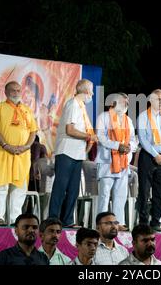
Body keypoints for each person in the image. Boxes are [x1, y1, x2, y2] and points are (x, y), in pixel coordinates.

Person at [0, 81, 38, 226]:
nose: (16, 93)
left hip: (22, 155)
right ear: (6, 92)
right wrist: (5, 145)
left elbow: (33, 131)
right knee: (2, 186)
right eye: (13, 90)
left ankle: (16, 219)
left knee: (19, 187)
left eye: (18, 90)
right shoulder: (0, 107)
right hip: (4, 152)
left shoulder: (27, 110)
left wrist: (26, 146)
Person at [49, 79, 98, 227]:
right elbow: (69, 130)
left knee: (73, 190)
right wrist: (89, 136)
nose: (93, 94)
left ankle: (68, 220)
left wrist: (89, 142)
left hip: (78, 153)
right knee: (60, 187)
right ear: (86, 91)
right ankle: (52, 219)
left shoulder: (81, 107)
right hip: (66, 151)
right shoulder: (72, 105)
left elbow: (85, 133)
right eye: (92, 91)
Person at [95, 93, 136, 231]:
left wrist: (130, 147)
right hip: (107, 161)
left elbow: (132, 139)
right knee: (105, 194)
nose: (126, 104)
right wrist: (118, 146)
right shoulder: (104, 117)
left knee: (120, 194)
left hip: (123, 162)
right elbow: (100, 137)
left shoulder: (128, 120)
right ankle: (102, 223)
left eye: (127, 102)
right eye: (124, 102)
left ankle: (118, 223)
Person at [137, 89, 161, 231]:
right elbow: (143, 139)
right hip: (148, 156)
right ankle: (143, 222)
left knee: (159, 191)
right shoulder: (143, 116)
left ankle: (156, 221)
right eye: (158, 99)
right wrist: (155, 154)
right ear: (151, 100)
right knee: (144, 191)